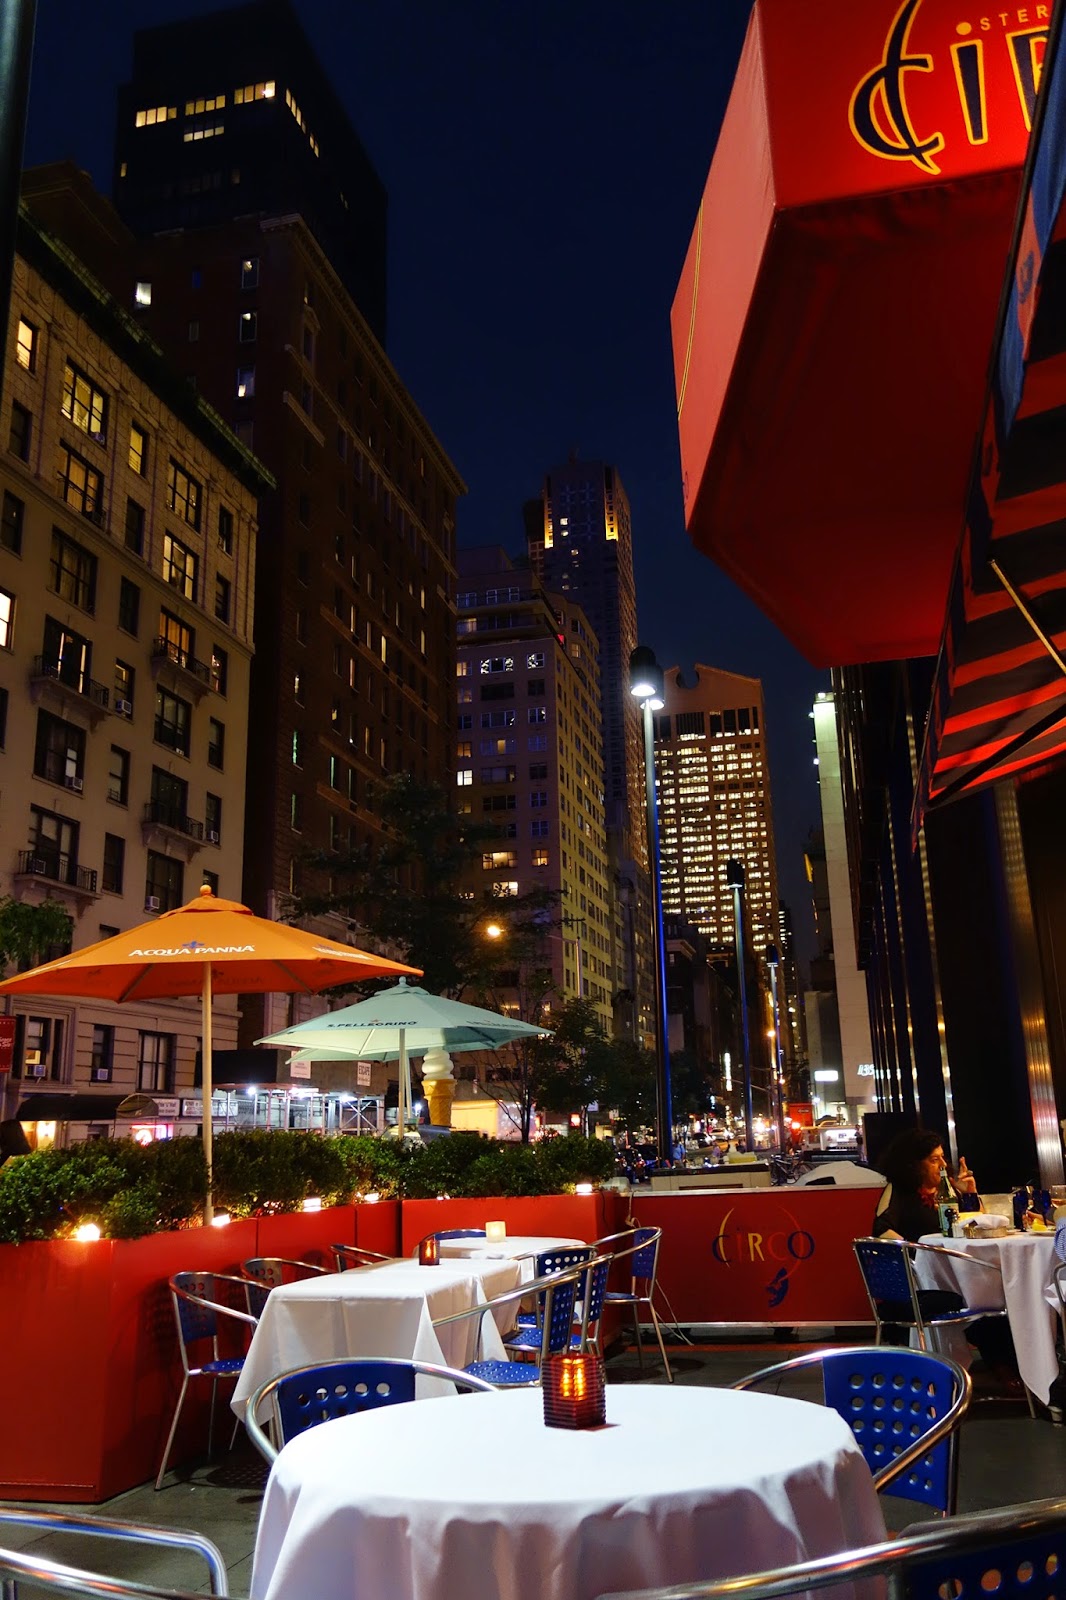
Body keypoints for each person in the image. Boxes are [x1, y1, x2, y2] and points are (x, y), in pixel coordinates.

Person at [872, 1128, 1020, 1391]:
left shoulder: (949, 1191)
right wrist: (918, 1253)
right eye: (934, 1159)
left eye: (942, 1158)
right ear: (914, 1164)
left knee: (1001, 1291)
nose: (942, 1164)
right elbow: (881, 1230)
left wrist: (970, 1192)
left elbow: (977, 1226)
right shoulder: (900, 1191)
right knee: (981, 1300)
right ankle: (1004, 1366)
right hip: (921, 1282)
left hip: (956, 1273)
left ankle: (1014, 1365)